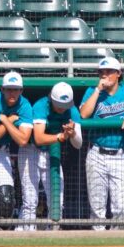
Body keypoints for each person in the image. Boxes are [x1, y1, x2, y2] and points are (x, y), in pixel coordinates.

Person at [80, 57, 124, 230]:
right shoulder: (92, 91)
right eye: (102, 72)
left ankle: (115, 242)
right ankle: (99, 245)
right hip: (97, 153)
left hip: (120, 155)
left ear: (118, 74)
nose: (105, 75)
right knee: (97, 208)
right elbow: (84, 115)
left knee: (123, 208)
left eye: (109, 72)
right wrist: (97, 90)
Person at [20, 81, 82, 230]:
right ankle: (27, 238)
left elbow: (78, 144)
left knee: (57, 201)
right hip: (31, 151)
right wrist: (61, 136)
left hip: (52, 154)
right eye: (59, 104)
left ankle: (53, 236)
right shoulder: (41, 106)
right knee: (30, 201)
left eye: (64, 105)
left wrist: (72, 134)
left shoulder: (72, 110)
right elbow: (39, 138)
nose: (62, 108)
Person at [0, 70, 32, 224]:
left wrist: (6, 121)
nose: (12, 93)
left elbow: (23, 140)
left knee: (6, 199)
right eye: (8, 89)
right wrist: (11, 120)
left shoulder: (25, 105)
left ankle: (4, 241)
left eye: (15, 89)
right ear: (2, 89)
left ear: (21, 90)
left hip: (3, 152)